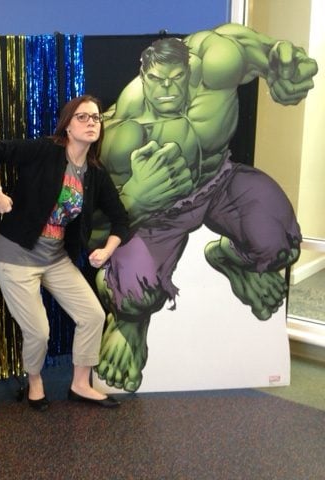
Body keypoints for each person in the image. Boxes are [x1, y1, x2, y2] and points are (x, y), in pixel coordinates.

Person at [94, 24, 318, 393]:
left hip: (220, 182)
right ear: (143, 76)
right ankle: (129, 322)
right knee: (135, 295)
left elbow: (265, 54)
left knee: (281, 244)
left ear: (191, 70)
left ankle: (230, 258)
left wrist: (281, 65)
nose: (166, 89)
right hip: (158, 214)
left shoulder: (217, 62)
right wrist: (133, 199)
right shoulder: (123, 132)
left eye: (176, 78)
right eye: (155, 80)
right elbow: (91, 229)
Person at [0, 95, 130, 411]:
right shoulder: (47, 151)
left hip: (55, 258)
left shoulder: (94, 174)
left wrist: (107, 249)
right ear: (68, 125)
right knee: (39, 332)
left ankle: (80, 384)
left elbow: (121, 218)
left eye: (96, 118)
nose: (91, 123)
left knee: (93, 315)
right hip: (16, 255)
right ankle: (35, 382)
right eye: (82, 117)